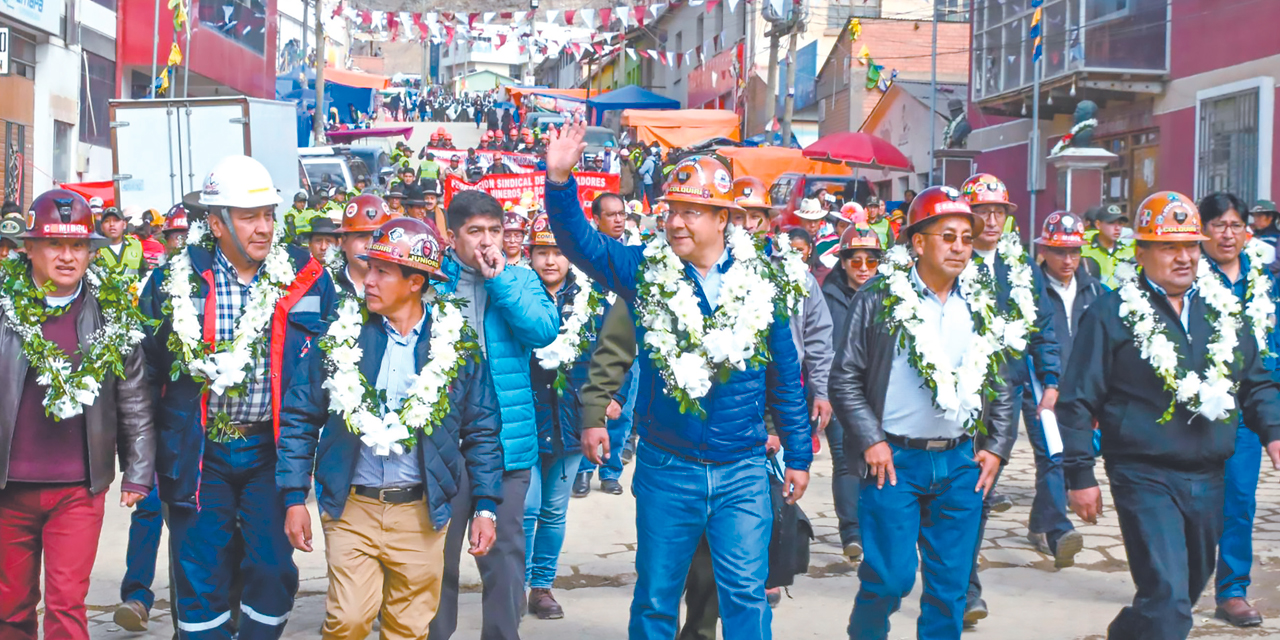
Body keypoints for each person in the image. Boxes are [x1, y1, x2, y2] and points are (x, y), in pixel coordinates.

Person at [543, 120, 812, 639]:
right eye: (670, 211)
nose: (676, 223)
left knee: (745, 599)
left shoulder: (764, 283)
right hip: (668, 468)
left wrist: (798, 455)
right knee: (655, 599)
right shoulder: (646, 272)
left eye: (691, 211)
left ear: (722, 218)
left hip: (742, 471)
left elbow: (785, 380)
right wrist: (559, 182)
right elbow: (583, 247)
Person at [1058, 190, 1280, 639]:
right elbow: (1078, 398)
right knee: (1170, 601)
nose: (1184, 258)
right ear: (1141, 252)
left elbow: (1255, 382)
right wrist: (1079, 474)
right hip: (1143, 474)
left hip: (1208, 474)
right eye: (1169, 247)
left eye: (1190, 246)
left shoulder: (1224, 310)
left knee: (1184, 589)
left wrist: (1275, 434)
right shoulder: (1111, 312)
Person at [138, 155, 336, 639]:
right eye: (249, 217)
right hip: (200, 451)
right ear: (216, 223)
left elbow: (329, 365)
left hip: (273, 453)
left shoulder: (309, 277)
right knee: (199, 569)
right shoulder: (172, 284)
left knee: (272, 568)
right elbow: (145, 375)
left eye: (269, 214)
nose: (264, 228)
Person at [277, 216, 502, 640]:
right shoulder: (340, 336)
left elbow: (482, 430)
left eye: (383, 270)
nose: (370, 279)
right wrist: (293, 497)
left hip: (422, 512)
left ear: (415, 282)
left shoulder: (456, 346)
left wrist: (486, 506)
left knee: (409, 628)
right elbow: (301, 416)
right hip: (351, 507)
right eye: (369, 267)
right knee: (348, 621)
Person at [828, 185, 1018, 640]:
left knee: (950, 589)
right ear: (918, 242)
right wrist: (872, 440)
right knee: (890, 579)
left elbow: (1002, 381)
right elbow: (844, 378)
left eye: (967, 238)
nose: (959, 247)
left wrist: (997, 446)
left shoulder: (981, 302)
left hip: (960, 463)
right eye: (947, 236)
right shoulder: (878, 297)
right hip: (894, 463)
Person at [0, 189, 155, 640]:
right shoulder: (3, 308)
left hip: (78, 488)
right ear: (28, 248)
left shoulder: (111, 313)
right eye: (54, 244)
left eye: (78, 245)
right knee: (10, 607)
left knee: (67, 605)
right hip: (9, 487)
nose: (67, 257)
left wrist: (138, 471)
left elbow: (135, 399)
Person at [429, 189, 560, 640]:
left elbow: (543, 331)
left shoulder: (520, 279)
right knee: (437, 561)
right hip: (446, 447)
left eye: (495, 231)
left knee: (505, 560)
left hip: (508, 444)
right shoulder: (431, 281)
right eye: (475, 232)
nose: (487, 241)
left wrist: (500, 281)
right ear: (452, 236)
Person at [959, 173, 1062, 625]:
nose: (992, 219)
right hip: (954, 395)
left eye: (999, 211)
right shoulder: (952, 258)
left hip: (1005, 392)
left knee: (979, 489)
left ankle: (965, 587)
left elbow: (1042, 323)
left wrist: (1051, 378)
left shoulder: (1019, 267)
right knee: (958, 490)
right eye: (982, 211)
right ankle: (956, 579)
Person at [1198, 192, 1280, 627]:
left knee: (1240, 501)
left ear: (1247, 231)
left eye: (1235, 226)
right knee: (1192, 502)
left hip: (1248, 410)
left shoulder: (1265, 279)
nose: (1227, 234)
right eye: (1218, 225)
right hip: (1194, 410)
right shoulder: (1187, 275)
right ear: (1203, 229)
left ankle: (1232, 590)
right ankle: (1176, 578)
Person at [523, 214, 603, 619]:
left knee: (555, 509)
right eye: (542, 252)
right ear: (530, 255)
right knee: (527, 507)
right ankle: (513, 583)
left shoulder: (592, 297)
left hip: (572, 418)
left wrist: (611, 400)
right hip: (526, 417)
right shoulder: (517, 294)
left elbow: (611, 354)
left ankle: (542, 586)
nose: (550, 260)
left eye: (557, 252)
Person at [1024, 212, 1103, 569]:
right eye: (1059, 252)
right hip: (1039, 386)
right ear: (1043, 250)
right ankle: (1058, 530)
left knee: (1071, 454)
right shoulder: (1029, 287)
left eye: (1073, 251)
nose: (1067, 260)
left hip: (1081, 391)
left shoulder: (1096, 291)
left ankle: (1039, 524)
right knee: (1051, 456)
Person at [818, 223, 882, 561]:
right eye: (854, 261)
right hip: (840, 390)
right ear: (842, 263)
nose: (862, 269)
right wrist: (823, 394)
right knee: (845, 461)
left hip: (880, 394)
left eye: (870, 261)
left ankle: (875, 527)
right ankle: (851, 532)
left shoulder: (889, 294)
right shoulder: (829, 296)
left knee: (877, 460)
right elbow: (823, 349)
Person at [572, 191, 634, 497]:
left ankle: (611, 471)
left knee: (620, 414)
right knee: (592, 409)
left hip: (628, 348)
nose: (619, 219)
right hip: (591, 347)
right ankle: (584, 470)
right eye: (611, 215)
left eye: (621, 213)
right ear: (596, 219)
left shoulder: (636, 254)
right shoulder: (585, 257)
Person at [333, 194, 399, 298]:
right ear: (344, 243)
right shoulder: (327, 286)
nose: (370, 245)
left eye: (377, 237)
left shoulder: (400, 288)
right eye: (362, 236)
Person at [1080, 203, 1135, 288]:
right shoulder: (1084, 251)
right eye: (1111, 223)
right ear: (1098, 224)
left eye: (1120, 223)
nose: (1117, 228)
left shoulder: (1130, 253)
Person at [96, 206, 148, 279]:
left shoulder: (135, 245)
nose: (112, 224)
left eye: (116, 220)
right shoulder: (95, 249)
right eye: (107, 221)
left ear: (124, 224)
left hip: (133, 289)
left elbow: (144, 272)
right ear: (101, 227)